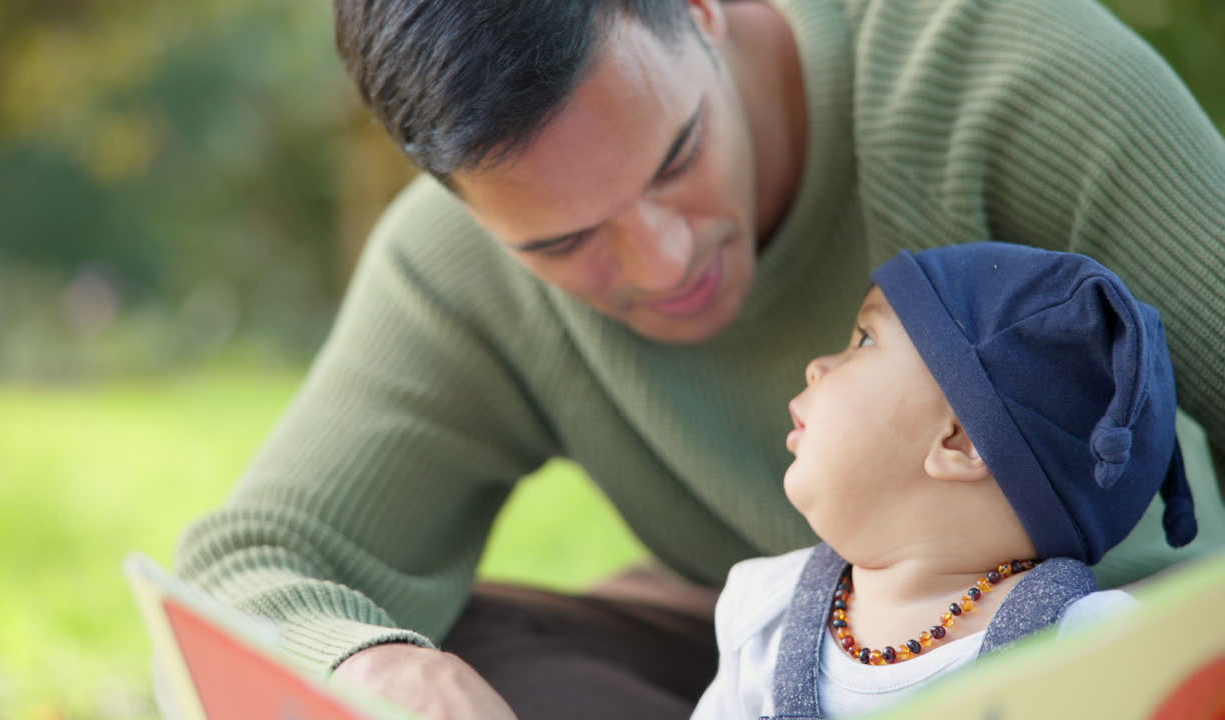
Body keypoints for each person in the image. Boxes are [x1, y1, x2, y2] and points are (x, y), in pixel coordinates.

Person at [173, 1, 1225, 718]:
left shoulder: (1002, 71)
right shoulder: (454, 270)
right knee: (456, 651)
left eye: (674, 159)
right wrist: (379, 667)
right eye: (562, 244)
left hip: (1122, 664)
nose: (662, 261)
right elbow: (255, 562)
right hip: (780, 661)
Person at [690, 242, 1197, 720]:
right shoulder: (765, 615)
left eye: (864, 339)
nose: (817, 366)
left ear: (960, 441)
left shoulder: (1079, 647)